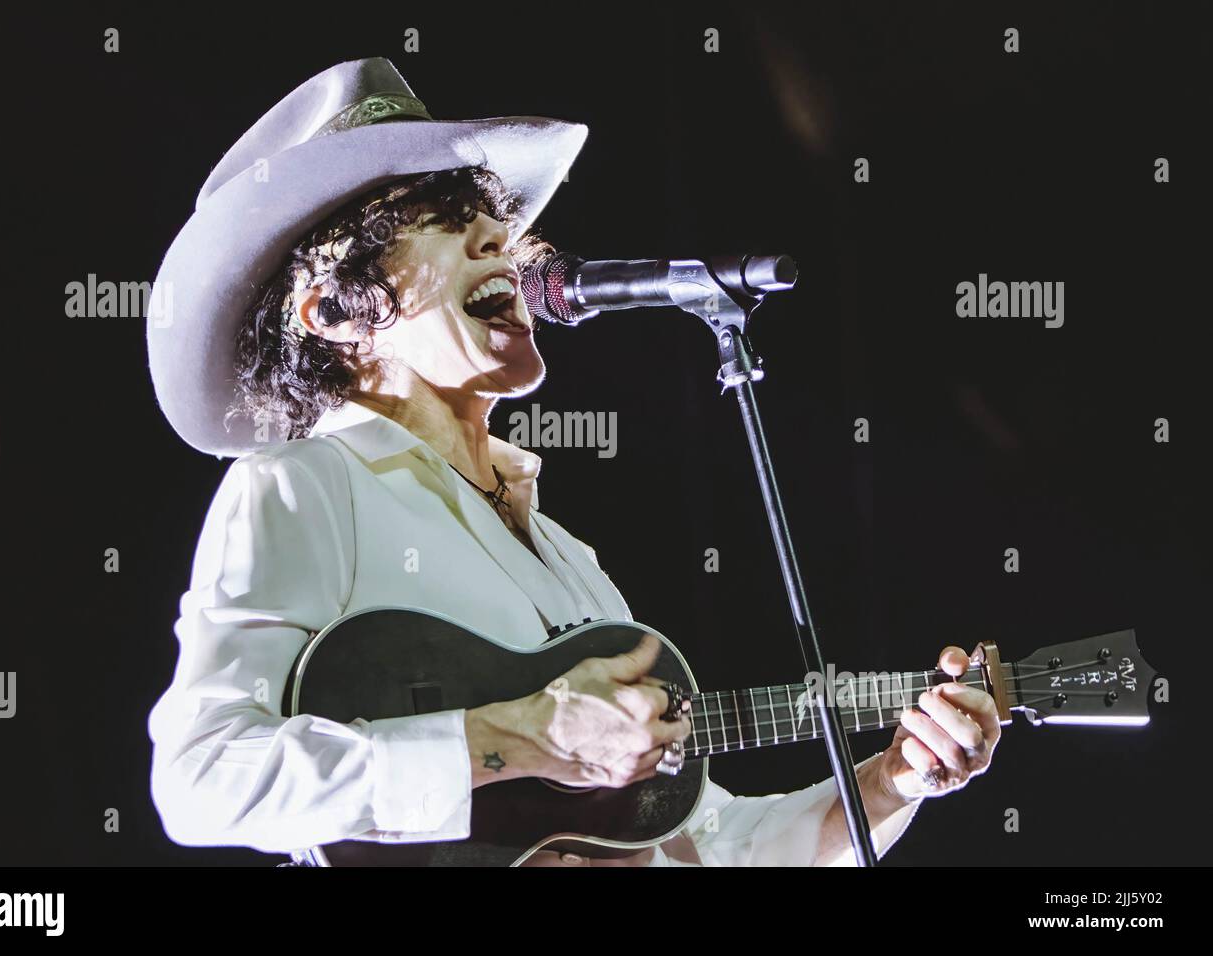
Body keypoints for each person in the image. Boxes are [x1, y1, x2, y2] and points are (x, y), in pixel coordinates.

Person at [145, 58, 999, 866]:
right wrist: (528, 735)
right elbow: (202, 779)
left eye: (500, 232)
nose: (503, 248)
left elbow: (706, 847)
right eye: (447, 226)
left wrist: (891, 785)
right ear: (333, 309)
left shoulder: (571, 565)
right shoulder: (302, 488)